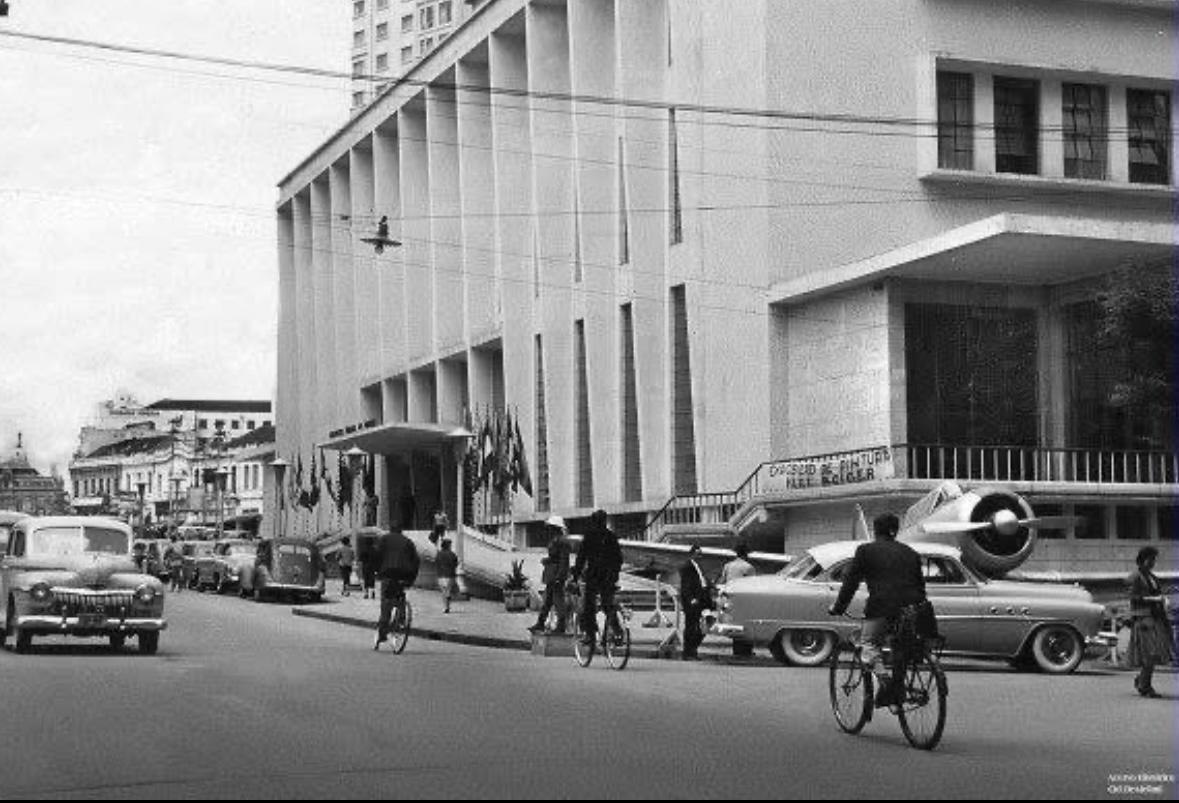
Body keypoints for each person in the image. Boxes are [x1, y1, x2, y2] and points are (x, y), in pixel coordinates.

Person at [828, 512, 929, 707]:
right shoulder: (910, 552)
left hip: (881, 608)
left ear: (875, 530)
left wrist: (839, 607)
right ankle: (899, 686)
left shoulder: (865, 551)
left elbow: (851, 583)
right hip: (913, 609)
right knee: (902, 647)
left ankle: (886, 682)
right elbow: (920, 587)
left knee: (868, 643)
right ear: (896, 531)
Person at [570, 509, 623, 645]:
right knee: (607, 605)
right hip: (608, 576)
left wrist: (575, 576)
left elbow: (581, 558)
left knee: (589, 605)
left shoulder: (589, 536)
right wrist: (615, 575)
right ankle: (617, 631)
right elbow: (618, 559)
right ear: (605, 521)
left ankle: (589, 634)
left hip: (594, 575)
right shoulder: (611, 536)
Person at [1127, 546, 1173, 698]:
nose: (1153, 562)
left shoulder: (1152, 577)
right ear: (1142, 559)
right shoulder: (1135, 577)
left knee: (1154, 654)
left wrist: (1162, 600)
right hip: (1143, 619)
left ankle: (1143, 682)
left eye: (1154, 559)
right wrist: (1155, 599)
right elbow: (1134, 598)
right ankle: (1144, 685)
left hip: (1155, 618)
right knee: (1150, 653)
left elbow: (1157, 594)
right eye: (1150, 559)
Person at [374, 527, 421, 650]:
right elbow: (416, 560)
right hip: (405, 574)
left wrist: (376, 571)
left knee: (386, 603)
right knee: (400, 595)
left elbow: (377, 555)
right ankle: (401, 619)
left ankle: (383, 631)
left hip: (388, 573)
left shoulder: (384, 539)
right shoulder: (408, 542)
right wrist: (411, 578)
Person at [530, 516, 571, 634]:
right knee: (548, 601)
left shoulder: (562, 541)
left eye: (550, 527)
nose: (548, 530)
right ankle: (540, 623)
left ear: (555, 528)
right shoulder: (555, 540)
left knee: (558, 601)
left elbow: (564, 561)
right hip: (551, 573)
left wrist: (560, 577)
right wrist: (547, 560)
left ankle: (561, 626)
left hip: (556, 575)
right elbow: (555, 557)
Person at [719, 543, 756, 656]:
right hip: (745, 598)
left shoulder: (728, 566)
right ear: (745, 554)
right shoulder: (748, 567)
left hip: (730, 598)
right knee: (746, 624)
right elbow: (753, 584)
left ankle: (736, 649)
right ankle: (746, 650)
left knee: (735, 624)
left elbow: (723, 581)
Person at [680, 544, 711, 661]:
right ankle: (688, 652)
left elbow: (701, 581)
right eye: (698, 554)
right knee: (691, 626)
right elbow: (686, 585)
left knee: (702, 625)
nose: (700, 556)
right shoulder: (687, 566)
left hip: (701, 599)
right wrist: (691, 599)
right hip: (693, 601)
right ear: (692, 554)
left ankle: (692, 649)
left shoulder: (698, 566)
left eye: (700, 554)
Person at [435, 538, 459, 613]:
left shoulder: (439, 554)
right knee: (448, 590)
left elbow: (436, 563)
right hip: (450, 575)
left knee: (443, 592)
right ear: (448, 545)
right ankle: (447, 605)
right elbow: (455, 564)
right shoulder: (452, 554)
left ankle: (445, 607)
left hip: (441, 575)